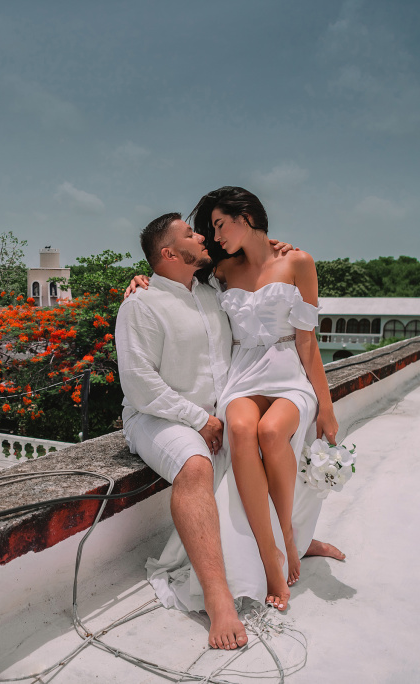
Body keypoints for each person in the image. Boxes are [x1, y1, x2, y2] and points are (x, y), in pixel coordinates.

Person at [116, 212, 297, 650]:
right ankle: (218, 601)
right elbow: (140, 385)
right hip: (157, 416)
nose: (201, 237)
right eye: (190, 234)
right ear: (169, 253)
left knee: (265, 441)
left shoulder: (214, 291)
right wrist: (198, 420)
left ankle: (295, 541)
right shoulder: (140, 304)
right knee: (196, 465)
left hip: (215, 415)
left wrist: (277, 248)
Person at [198, 186, 337, 611]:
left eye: (220, 225)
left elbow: (307, 342)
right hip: (242, 374)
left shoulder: (298, 261)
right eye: (212, 229)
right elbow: (174, 271)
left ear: (245, 216)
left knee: (273, 432)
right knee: (241, 429)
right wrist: (142, 279)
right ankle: (269, 554)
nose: (216, 236)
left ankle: (289, 538)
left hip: (289, 372)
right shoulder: (221, 269)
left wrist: (326, 406)